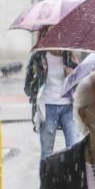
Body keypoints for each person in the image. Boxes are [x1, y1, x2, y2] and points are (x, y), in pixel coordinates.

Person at [24, 28, 79, 159]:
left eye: (58, 32)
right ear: (45, 35)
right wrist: (38, 82)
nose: (56, 35)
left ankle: (73, 178)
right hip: (47, 107)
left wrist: (73, 76)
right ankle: (46, 178)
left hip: (68, 108)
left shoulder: (70, 57)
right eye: (51, 32)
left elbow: (80, 85)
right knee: (47, 153)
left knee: (74, 149)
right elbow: (27, 88)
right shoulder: (38, 58)